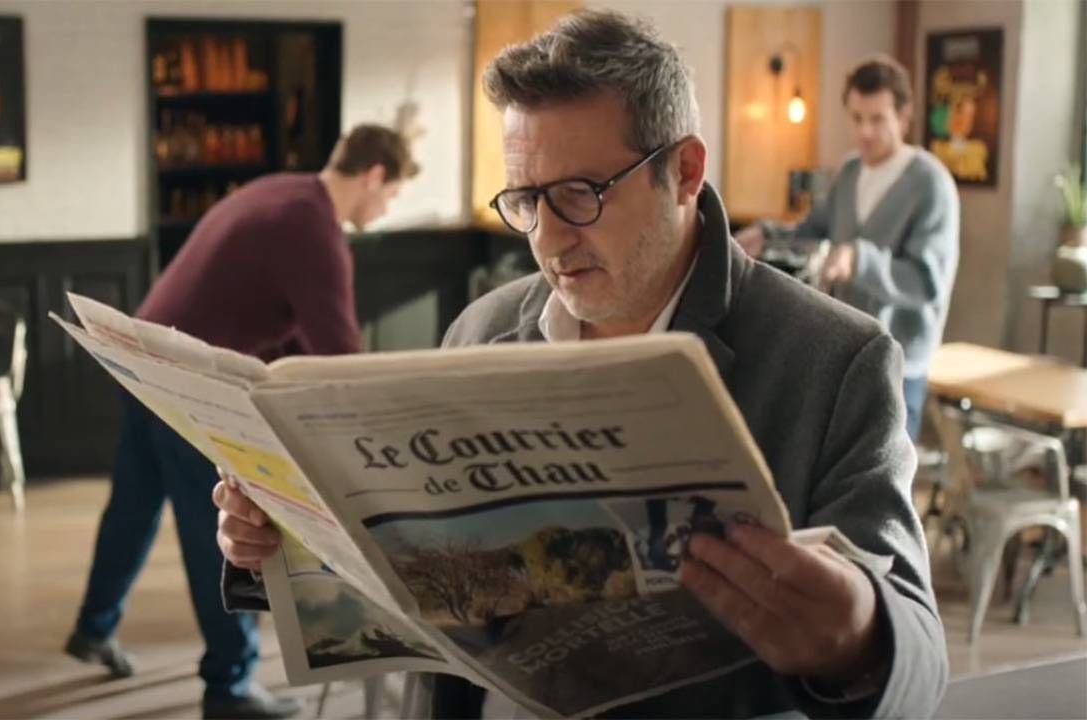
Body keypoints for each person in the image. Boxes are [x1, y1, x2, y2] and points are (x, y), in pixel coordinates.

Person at [215, 11, 946, 718]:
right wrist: (283, 540)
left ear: (685, 170)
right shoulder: (480, 332)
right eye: (526, 199)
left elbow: (919, 661)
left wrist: (857, 638)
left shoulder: (835, 361)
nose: (549, 238)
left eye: (579, 194)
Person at [66, 124, 418, 720]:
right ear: (375, 175)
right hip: (184, 379)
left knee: (133, 505)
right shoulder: (313, 228)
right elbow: (338, 357)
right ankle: (228, 684)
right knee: (221, 523)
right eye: (392, 195)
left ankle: (94, 626)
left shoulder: (283, 192)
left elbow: (285, 328)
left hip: (140, 354)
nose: (387, 209)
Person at [735, 55, 960, 440]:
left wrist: (859, 260)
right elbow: (812, 229)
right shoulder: (850, 172)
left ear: (903, 117)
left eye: (877, 119)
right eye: (857, 118)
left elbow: (927, 282)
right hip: (846, 355)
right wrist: (767, 235)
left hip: (899, 366)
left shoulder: (930, 184)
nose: (865, 132)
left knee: (888, 475)